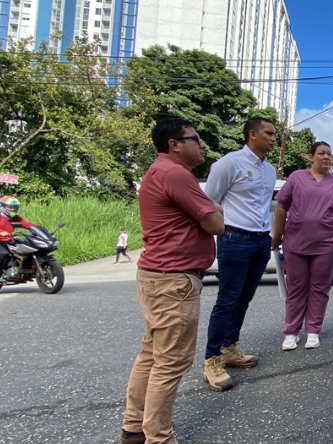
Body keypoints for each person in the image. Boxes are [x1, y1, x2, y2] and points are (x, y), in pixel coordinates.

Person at [122, 118, 224, 444]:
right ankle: (159, 438)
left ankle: (134, 428)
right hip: (174, 281)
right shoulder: (176, 173)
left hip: (156, 276)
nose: (202, 144)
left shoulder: (158, 171)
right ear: (175, 144)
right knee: (170, 364)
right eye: (196, 138)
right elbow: (215, 224)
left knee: (151, 356)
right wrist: (216, 208)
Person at [202, 116, 277, 392]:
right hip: (234, 237)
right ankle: (211, 359)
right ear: (252, 134)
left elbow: (263, 206)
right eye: (268, 133)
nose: (273, 137)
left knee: (244, 297)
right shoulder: (229, 163)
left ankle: (229, 348)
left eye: (273, 133)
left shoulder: (269, 170)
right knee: (227, 299)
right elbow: (209, 201)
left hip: (260, 241)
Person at [271, 141, 333, 350]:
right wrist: (277, 235)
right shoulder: (297, 177)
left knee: (320, 287)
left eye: (329, 154)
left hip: (327, 244)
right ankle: (291, 332)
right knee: (297, 287)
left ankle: (313, 330)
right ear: (311, 156)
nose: (326, 157)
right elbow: (281, 207)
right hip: (295, 242)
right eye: (321, 153)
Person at [0, 196, 36, 272]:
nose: (12, 209)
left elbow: (25, 223)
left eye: (14, 207)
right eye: (10, 207)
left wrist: (38, 229)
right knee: (3, 253)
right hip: (1, 240)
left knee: (28, 248)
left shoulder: (14, 217)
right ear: (3, 206)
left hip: (8, 240)